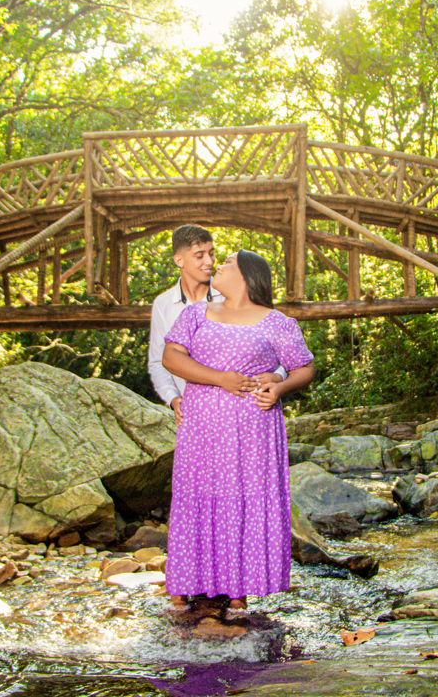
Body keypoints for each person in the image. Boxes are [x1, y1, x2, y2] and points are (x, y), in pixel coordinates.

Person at [161, 249, 315, 612]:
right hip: (201, 429)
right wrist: (221, 380)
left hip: (252, 432)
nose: (216, 266)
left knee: (240, 501)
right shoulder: (196, 313)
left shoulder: (277, 323)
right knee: (194, 496)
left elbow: (304, 369)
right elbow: (172, 358)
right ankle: (182, 587)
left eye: (226, 262)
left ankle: (237, 592)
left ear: (246, 275)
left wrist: (277, 388)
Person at [148, 224, 281, 426]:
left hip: (244, 412)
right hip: (191, 412)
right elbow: (159, 361)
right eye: (199, 255)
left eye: (211, 253)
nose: (209, 262)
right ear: (179, 260)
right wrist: (173, 399)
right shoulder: (163, 305)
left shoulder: (233, 293)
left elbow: (276, 344)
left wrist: (277, 377)